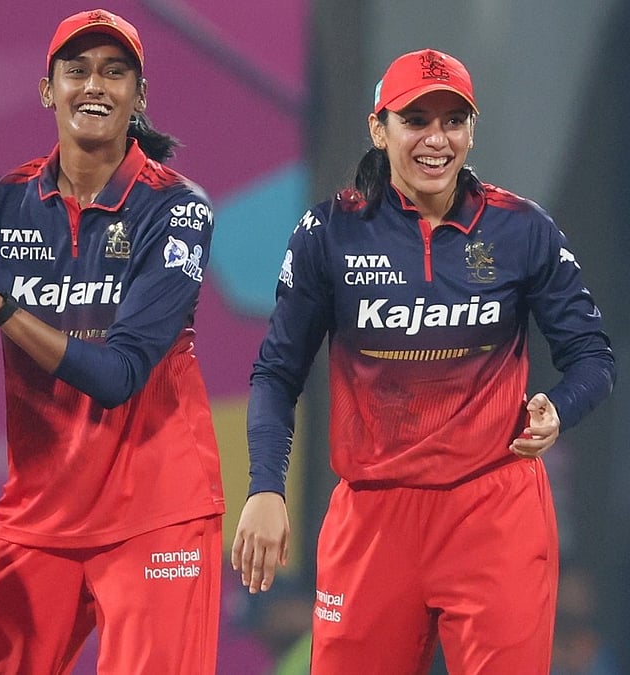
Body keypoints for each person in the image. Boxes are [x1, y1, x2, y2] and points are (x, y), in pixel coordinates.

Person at [232, 48, 616, 674]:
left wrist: (559, 409)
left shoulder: (522, 229)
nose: (436, 139)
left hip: (495, 509)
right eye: (416, 120)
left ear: (471, 129)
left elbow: (592, 355)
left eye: (453, 120)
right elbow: (278, 372)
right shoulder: (330, 231)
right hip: (373, 515)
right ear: (378, 129)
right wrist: (266, 488)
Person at [0, 9, 225, 673]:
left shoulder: (177, 209)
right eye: (79, 70)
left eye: (116, 72)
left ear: (138, 96)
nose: (96, 85)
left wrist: (0, 308)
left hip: (156, 513)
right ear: (47, 89)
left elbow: (119, 375)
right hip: (38, 515)